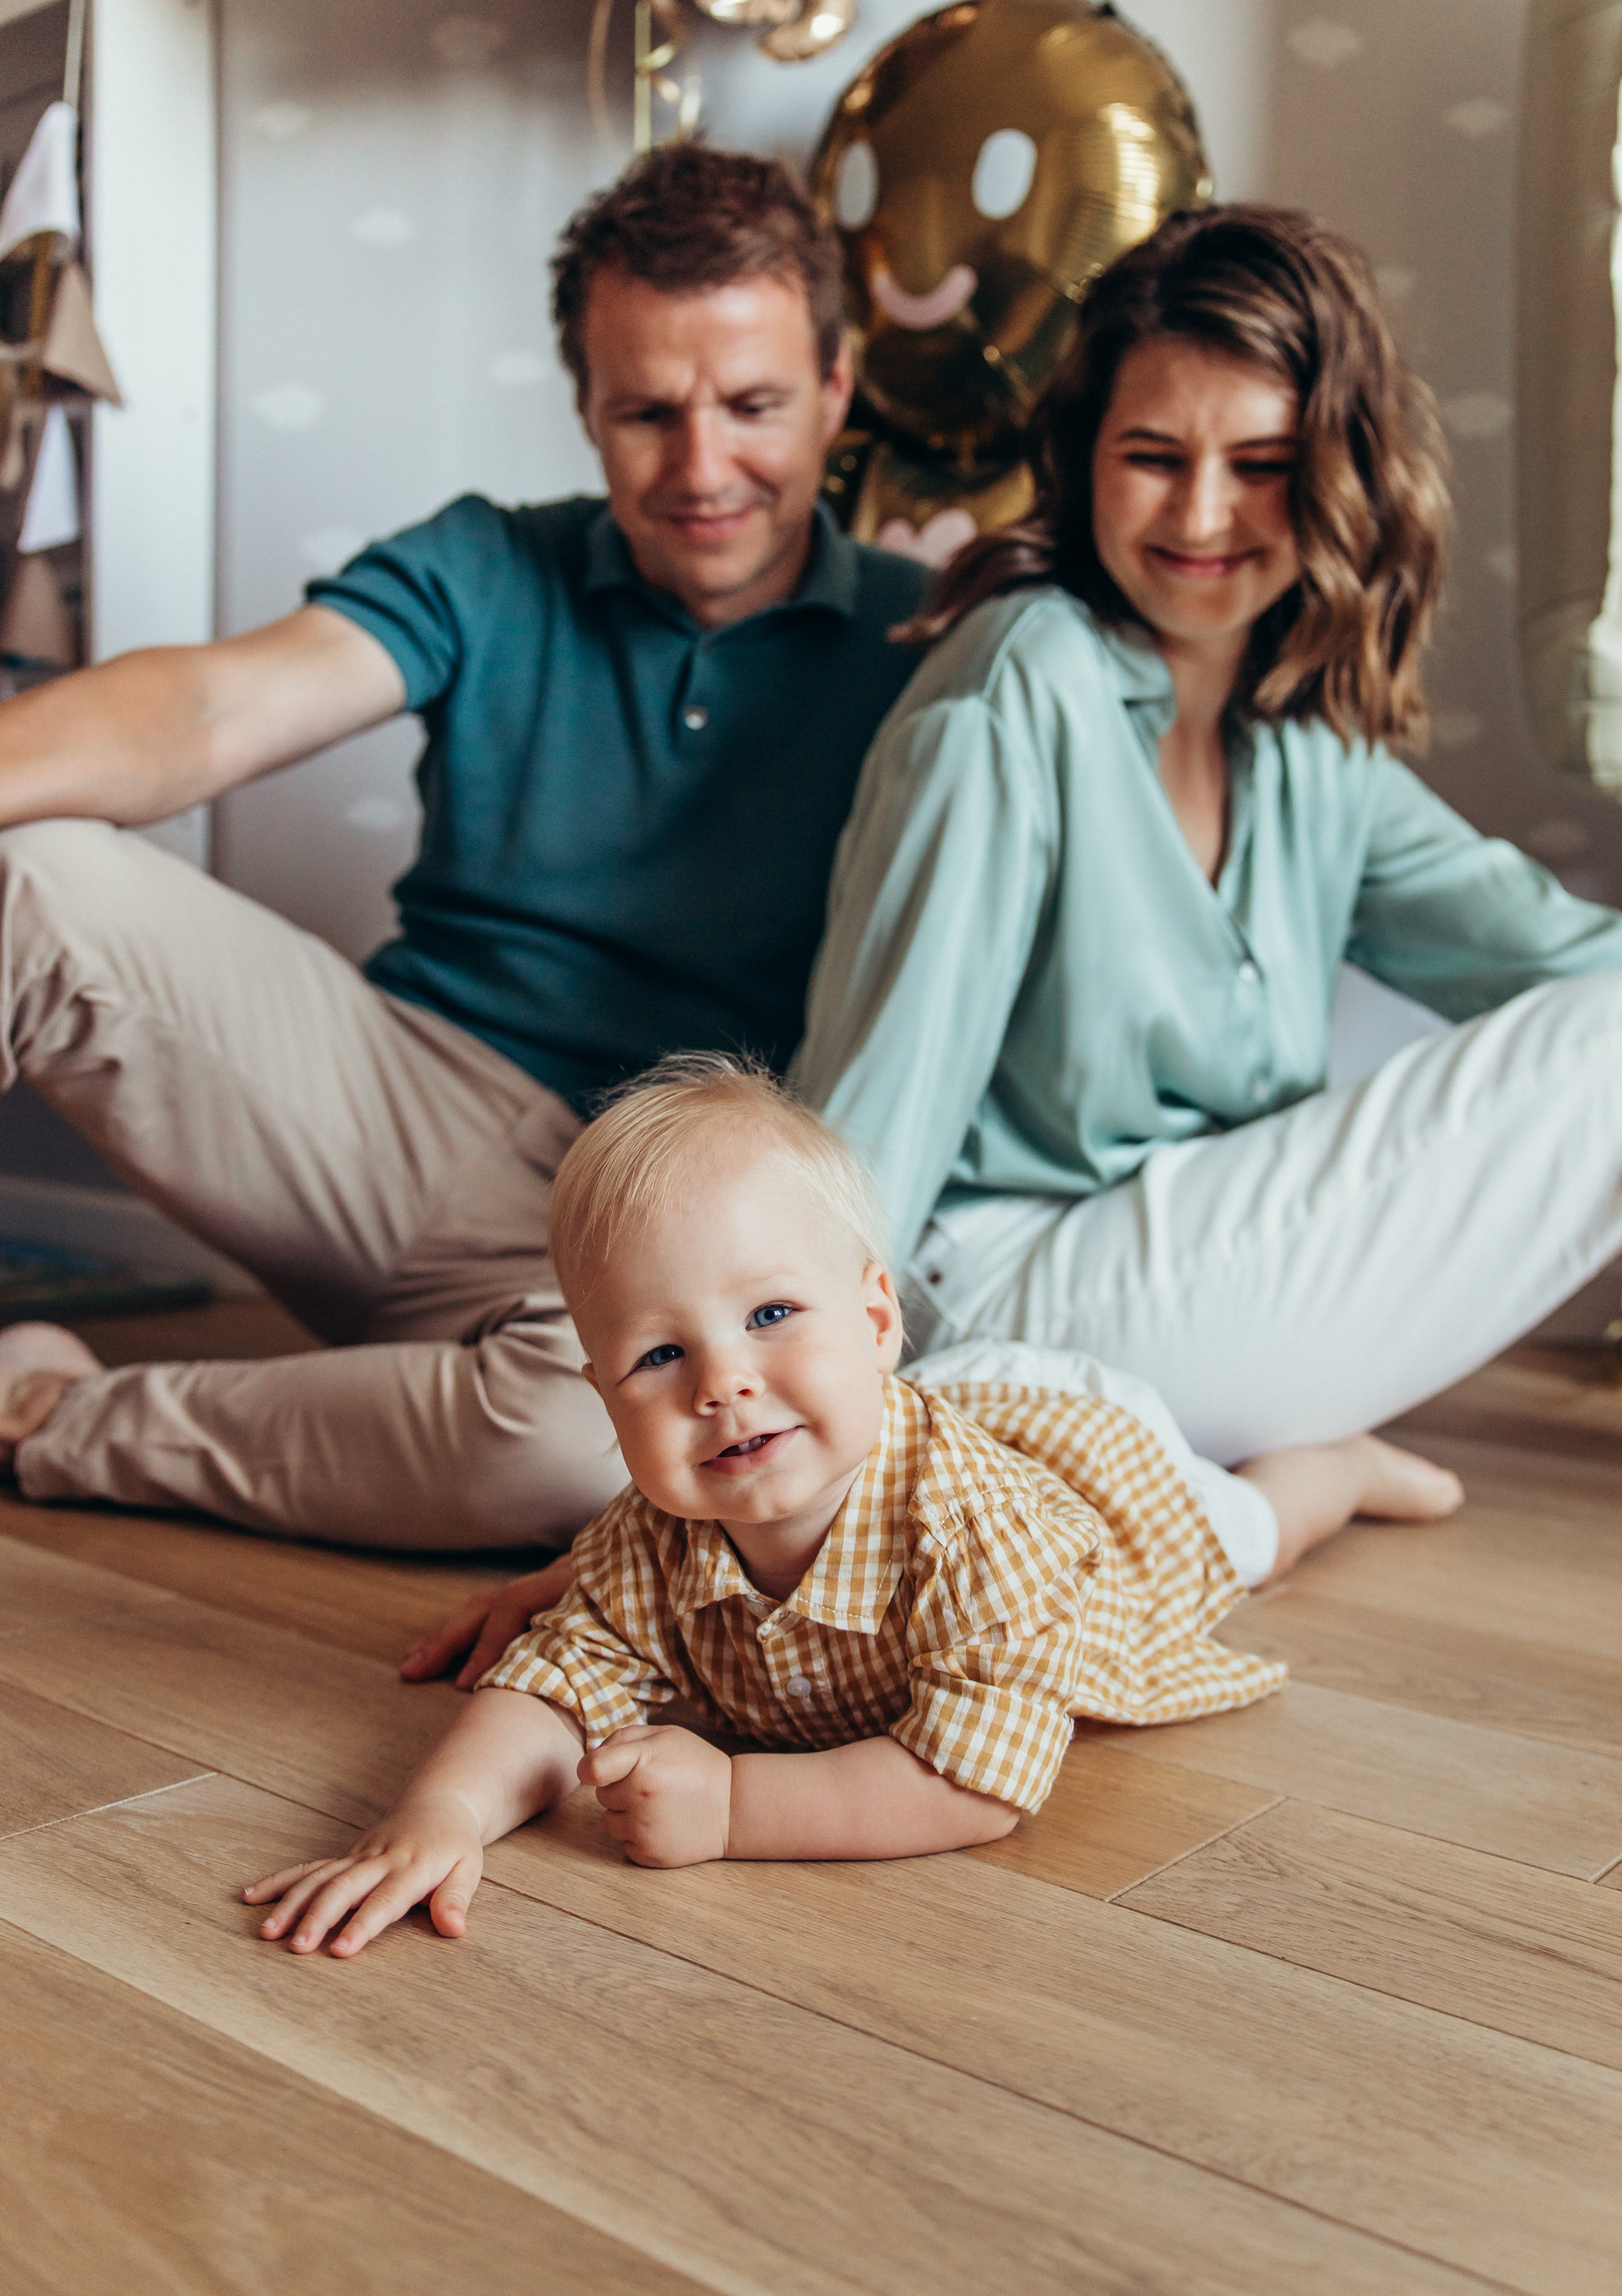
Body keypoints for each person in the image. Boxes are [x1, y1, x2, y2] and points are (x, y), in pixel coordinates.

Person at [0, 148, 931, 1644]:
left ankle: (58, 1416)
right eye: (647, 413)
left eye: (751, 406)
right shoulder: (489, 563)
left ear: (835, 389)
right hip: (391, 1112)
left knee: (590, 1443)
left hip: (668, 1198)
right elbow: (209, 712)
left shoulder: (928, 642)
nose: (700, 467)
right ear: (585, 408)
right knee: (28, 871)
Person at [793, 203, 1622, 1496]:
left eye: (1261, 462)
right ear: (1083, 459)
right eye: (1152, 455)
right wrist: (791, 1417)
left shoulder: (1305, 730)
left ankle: (1270, 1471)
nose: (1201, 511)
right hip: (1003, 1295)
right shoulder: (1017, 688)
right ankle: (1275, 1476)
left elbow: (1559, 960)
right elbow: (873, 1108)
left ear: (1338, 473)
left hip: (1193, 1280)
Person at [241, 1056, 1308, 1958]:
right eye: (660, 1355)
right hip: (906, 1405)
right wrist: (443, 1811)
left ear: (877, 1320)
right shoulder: (654, 1529)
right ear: (606, 1400)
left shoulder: (986, 1538)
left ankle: (1340, 1473)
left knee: (1252, 1533)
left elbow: (974, 1784)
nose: (722, 1384)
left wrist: (734, 1807)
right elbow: (557, 1689)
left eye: (770, 1314)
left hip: (1096, 1463)